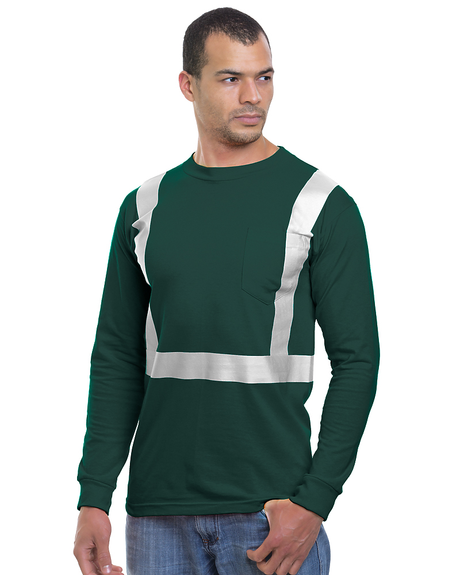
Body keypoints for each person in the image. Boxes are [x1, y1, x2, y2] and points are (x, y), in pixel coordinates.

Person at [73, 7, 379, 575]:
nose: (253, 96)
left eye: (264, 77)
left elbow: (358, 361)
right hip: (157, 514)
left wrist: (316, 501)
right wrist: (94, 496)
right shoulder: (144, 207)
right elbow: (115, 357)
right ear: (188, 85)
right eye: (231, 78)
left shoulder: (321, 205)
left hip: (271, 515)